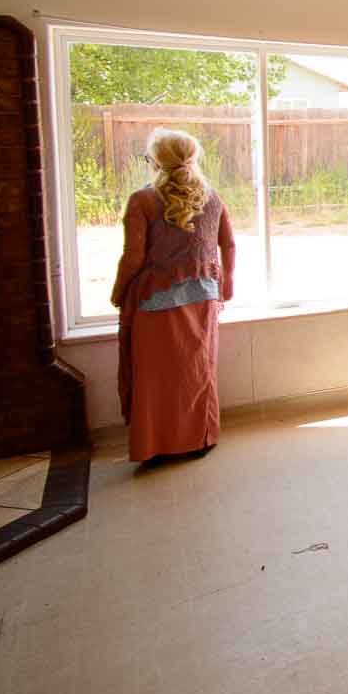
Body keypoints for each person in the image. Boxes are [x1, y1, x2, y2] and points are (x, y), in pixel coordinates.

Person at [111, 128, 235, 463]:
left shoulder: (142, 200)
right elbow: (228, 244)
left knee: (155, 376)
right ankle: (200, 438)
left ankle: (155, 446)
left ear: (155, 161)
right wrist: (228, 284)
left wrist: (118, 292)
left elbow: (133, 257)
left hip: (155, 301)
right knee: (197, 369)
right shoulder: (212, 197)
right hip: (204, 296)